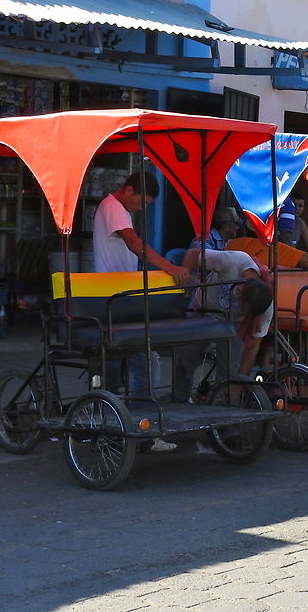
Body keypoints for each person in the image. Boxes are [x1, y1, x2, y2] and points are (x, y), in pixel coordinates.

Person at [92, 171, 190, 453]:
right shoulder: (114, 207)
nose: (142, 207)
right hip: (116, 298)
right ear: (129, 190)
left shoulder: (117, 209)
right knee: (143, 359)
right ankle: (142, 430)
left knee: (119, 363)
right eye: (142, 202)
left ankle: (112, 427)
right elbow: (135, 244)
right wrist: (169, 268)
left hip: (117, 296)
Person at [180, 248, 274, 378]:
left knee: (230, 375)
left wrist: (240, 383)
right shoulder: (233, 261)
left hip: (234, 324)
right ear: (239, 291)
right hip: (203, 310)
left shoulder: (266, 306)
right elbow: (193, 254)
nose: (244, 312)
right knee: (185, 360)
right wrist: (185, 277)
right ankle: (180, 398)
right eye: (242, 309)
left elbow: (253, 347)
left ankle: (224, 397)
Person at [278, 195, 308, 260]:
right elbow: (285, 239)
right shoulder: (278, 219)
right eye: (294, 205)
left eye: (300, 205)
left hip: (293, 256)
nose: (297, 208)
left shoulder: (300, 223)